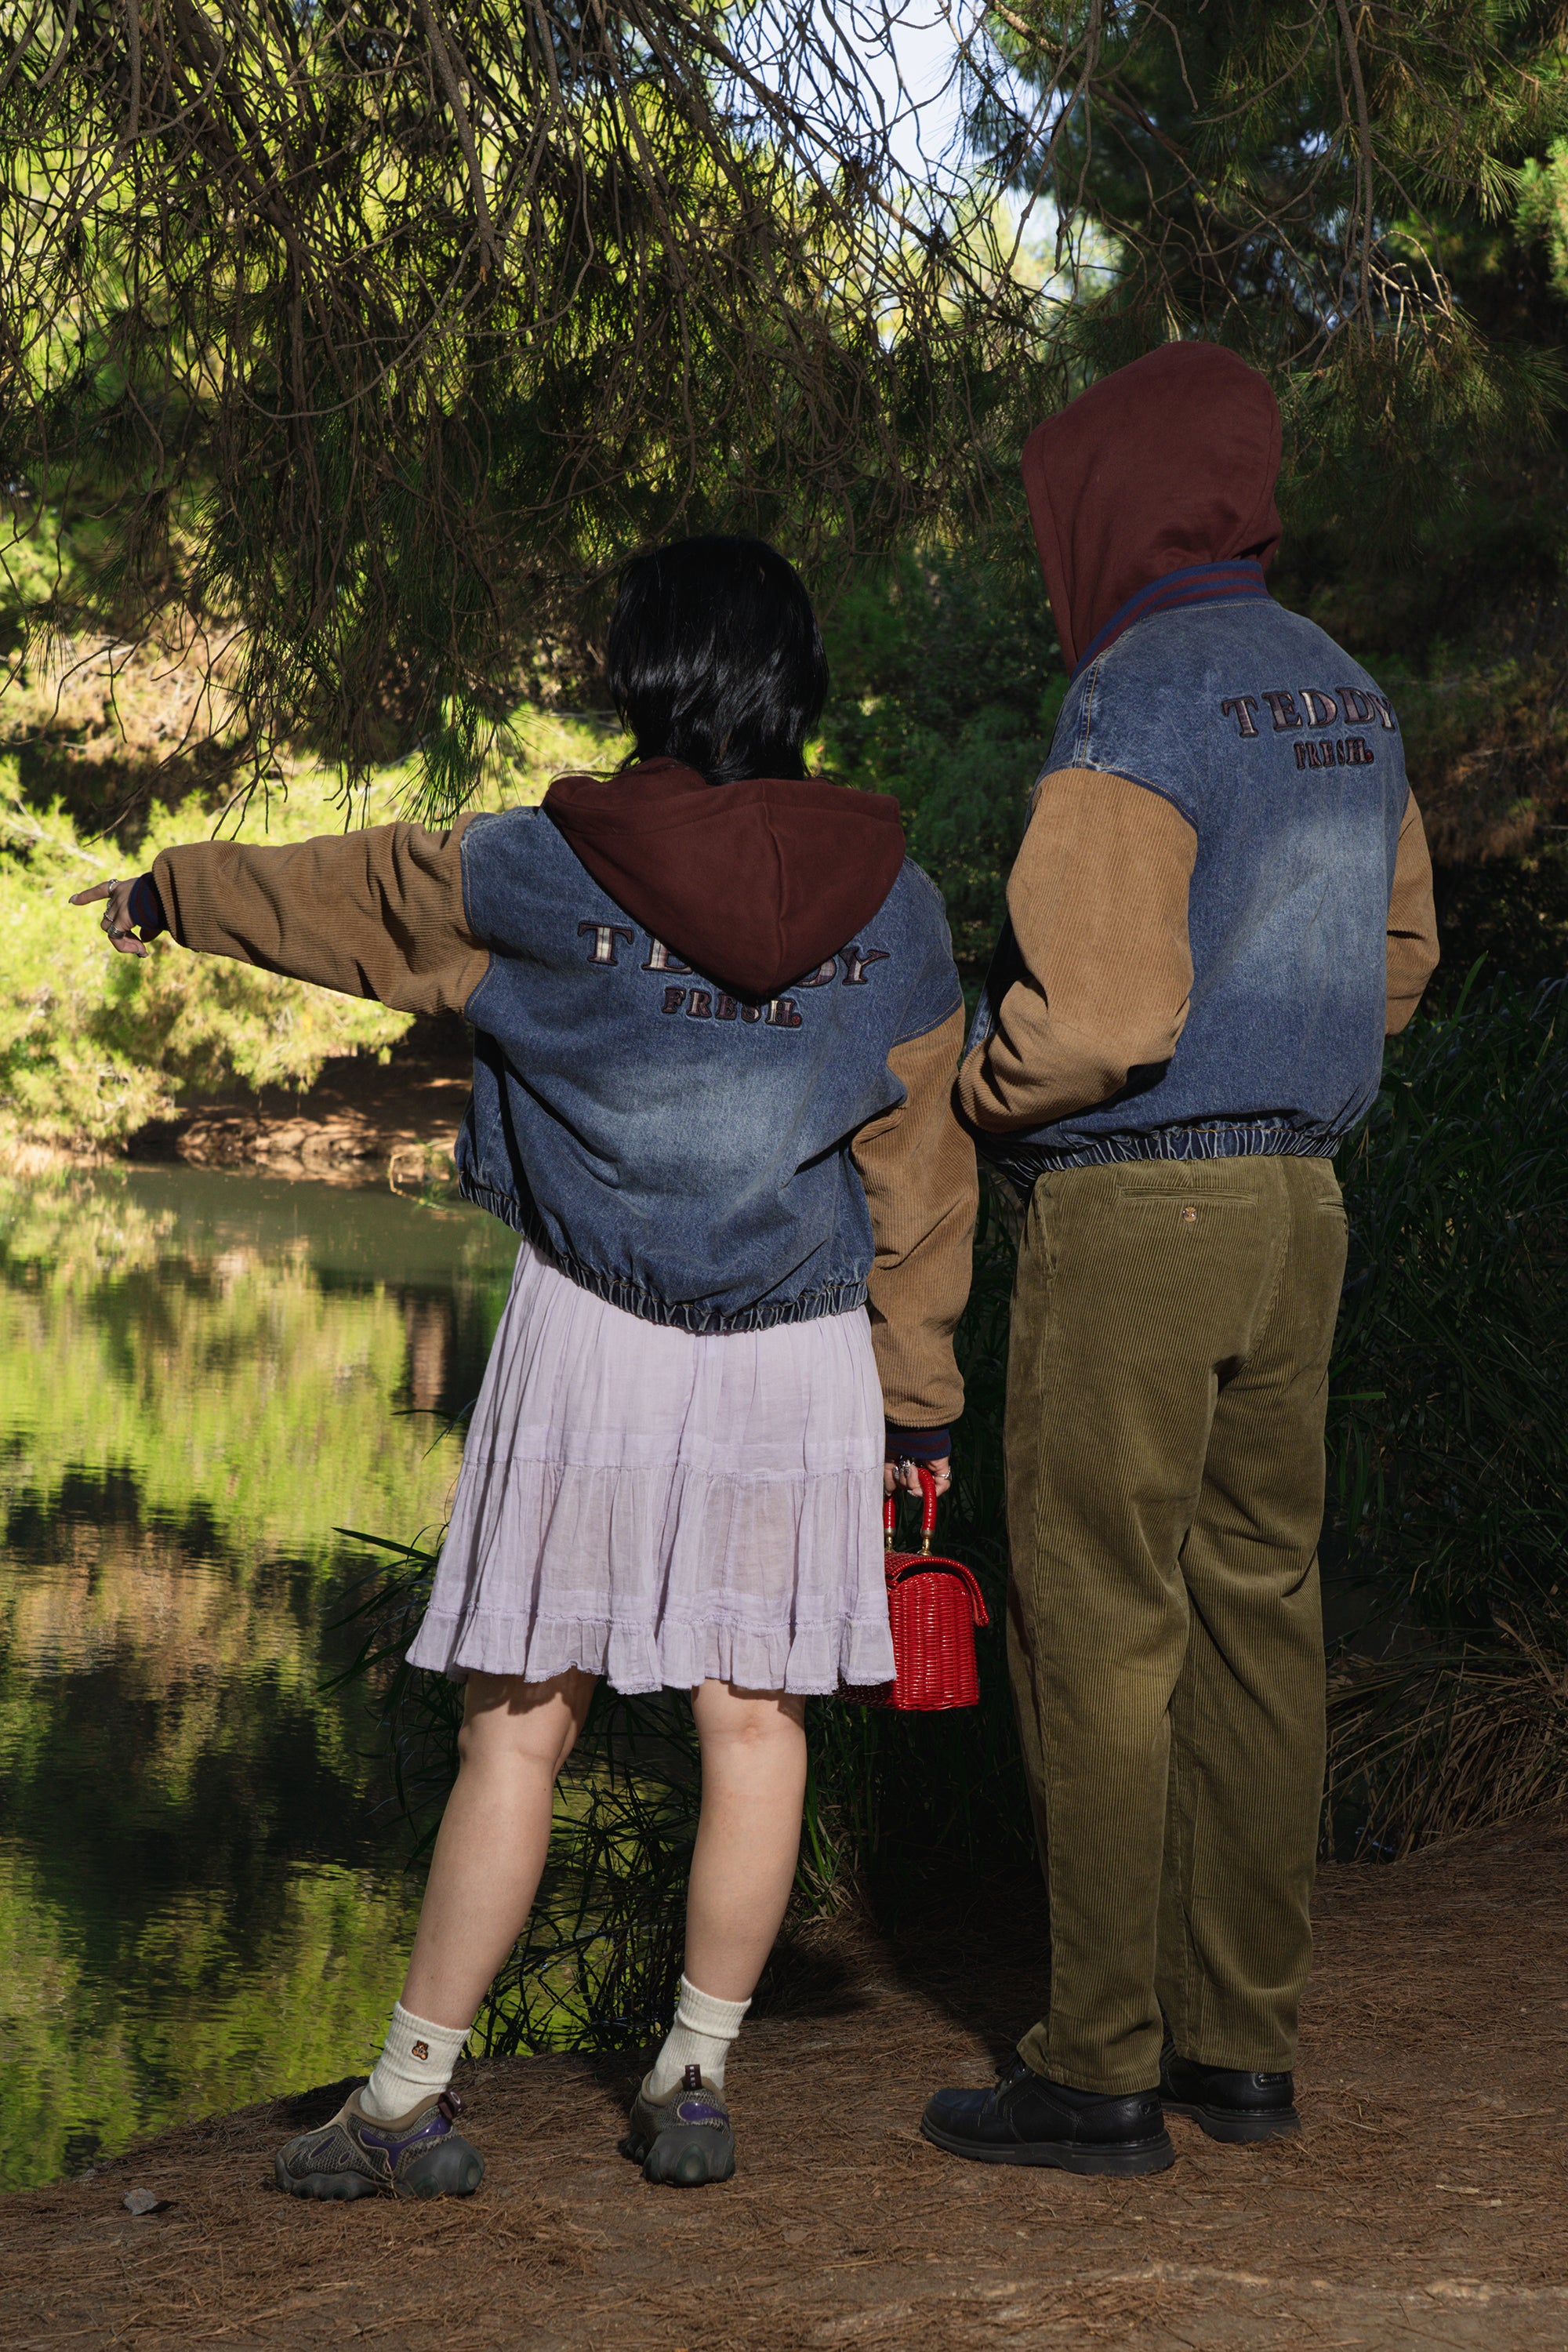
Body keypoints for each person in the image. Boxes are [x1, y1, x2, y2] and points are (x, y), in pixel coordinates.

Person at [75, 535, 977, 2200]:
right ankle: (695, 2075)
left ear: (644, 676)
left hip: (595, 1336)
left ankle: (410, 2095)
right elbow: (921, 1172)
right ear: (794, 684)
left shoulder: (550, 867)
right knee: (755, 1727)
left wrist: (168, 891)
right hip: (796, 1357)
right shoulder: (900, 903)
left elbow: (340, 901)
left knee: (518, 1729)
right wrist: (917, 1391)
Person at [920, 346, 1439, 2178]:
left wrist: (986, 1095)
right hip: (1301, 1211)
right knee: (1257, 1619)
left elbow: (1105, 1020)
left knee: (1101, 1632)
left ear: (1113, 502)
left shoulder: (1134, 693)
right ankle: (1244, 2048)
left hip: (1137, 1209)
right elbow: (1399, 960)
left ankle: (1098, 2066)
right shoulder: (1344, 691)